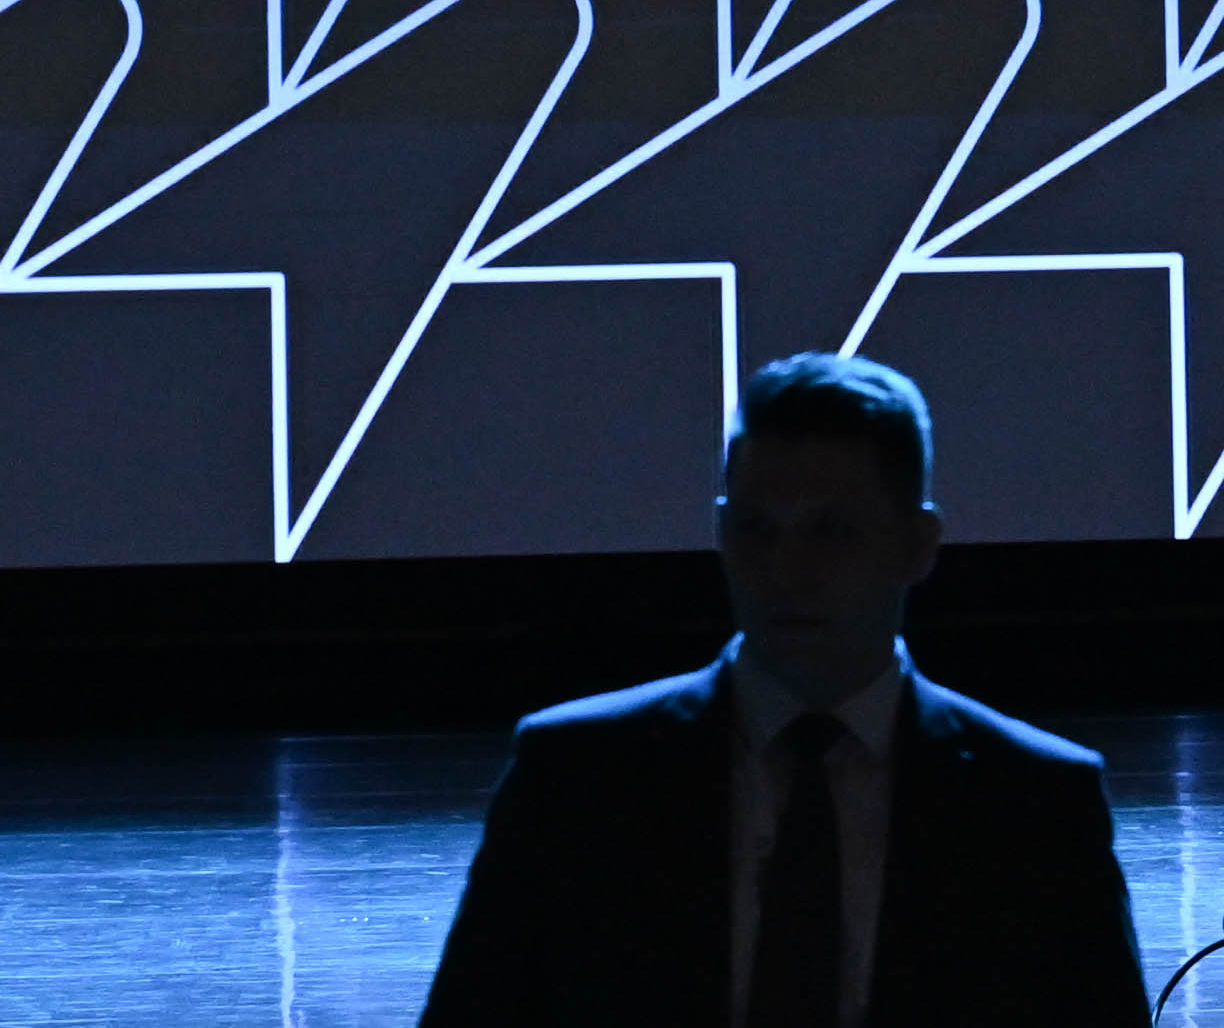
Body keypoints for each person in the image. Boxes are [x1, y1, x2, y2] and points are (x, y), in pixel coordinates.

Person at [420, 352, 1158, 1028]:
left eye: (830, 532)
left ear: (917, 547)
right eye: (757, 530)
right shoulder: (573, 780)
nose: (785, 568)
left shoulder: (1037, 806)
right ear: (720, 533)